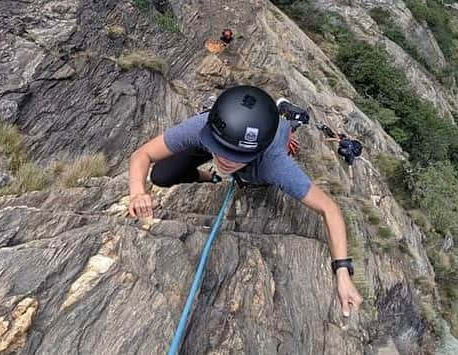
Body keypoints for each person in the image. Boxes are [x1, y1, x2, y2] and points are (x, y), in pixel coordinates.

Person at [128, 85, 362, 317]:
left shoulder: (275, 164)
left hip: (267, 140)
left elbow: (329, 208)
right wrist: (137, 192)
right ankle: (213, 176)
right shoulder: (203, 126)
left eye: (236, 157)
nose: (227, 160)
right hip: (225, 138)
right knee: (161, 175)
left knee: (260, 175)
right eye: (223, 152)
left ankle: (290, 119)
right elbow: (143, 154)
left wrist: (342, 271)